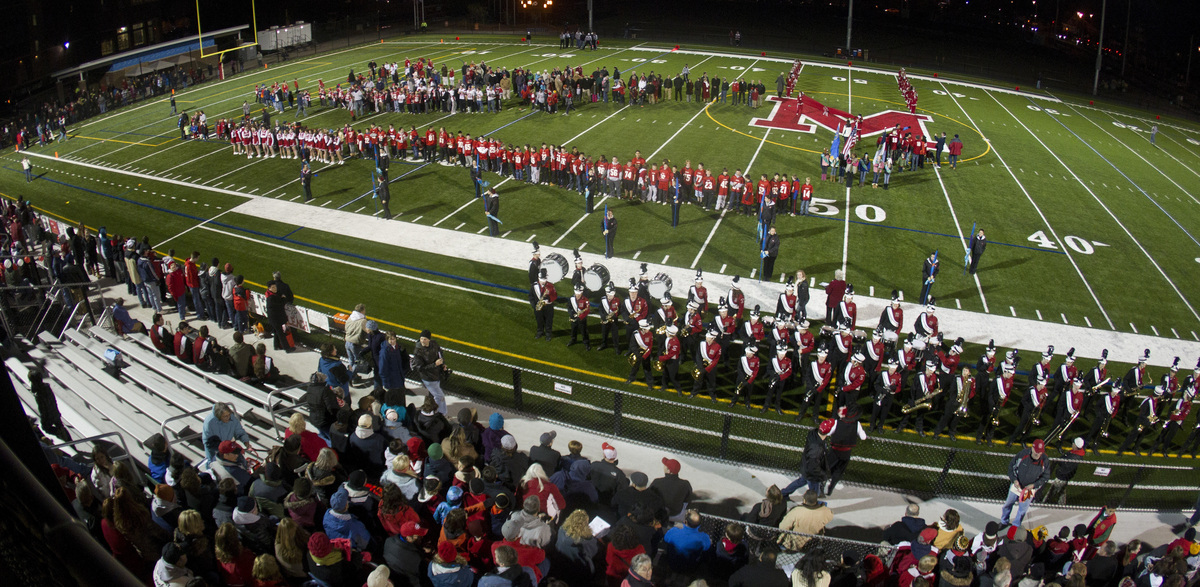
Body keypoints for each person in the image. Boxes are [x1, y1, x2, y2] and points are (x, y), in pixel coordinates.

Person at [1000, 439, 1049, 527]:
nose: (1038, 454)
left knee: (1022, 510)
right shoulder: (1023, 454)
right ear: (1032, 448)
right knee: (1007, 504)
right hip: (1016, 486)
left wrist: (1034, 485)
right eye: (1036, 451)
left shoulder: (1045, 460)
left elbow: (1045, 477)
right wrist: (1014, 480)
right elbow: (1011, 467)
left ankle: (1015, 526)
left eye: (1040, 452)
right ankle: (1004, 521)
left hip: (1029, 490)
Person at [781, 419, 833, 499]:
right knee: (814, 494)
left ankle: (783, 493)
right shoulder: (817, 449)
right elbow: (813, 466)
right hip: (812, 474)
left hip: (806, 467)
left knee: (800, 482)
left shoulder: (813, 433)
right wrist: (823, 475)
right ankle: (810, 503)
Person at [412, 329, 450, 415]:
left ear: (429, 339)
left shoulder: (434, 344)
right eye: (421, 339)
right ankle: (441, 413)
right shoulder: (418, 351)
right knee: (439, 396)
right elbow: (420, 368)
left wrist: (442, 364)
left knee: (433, 395)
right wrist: (435, 364)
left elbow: (440, 353)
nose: (422, 341)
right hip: (428, 378)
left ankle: (431, 412)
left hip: (436, 375)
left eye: (425, 339)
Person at [661, 509, 711, 573]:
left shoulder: (673, 531)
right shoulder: (704, 538)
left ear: (685, 522)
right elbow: (707, 547)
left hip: (672, 564)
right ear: (699, 525)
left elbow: (665, 539)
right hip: (690, 567)